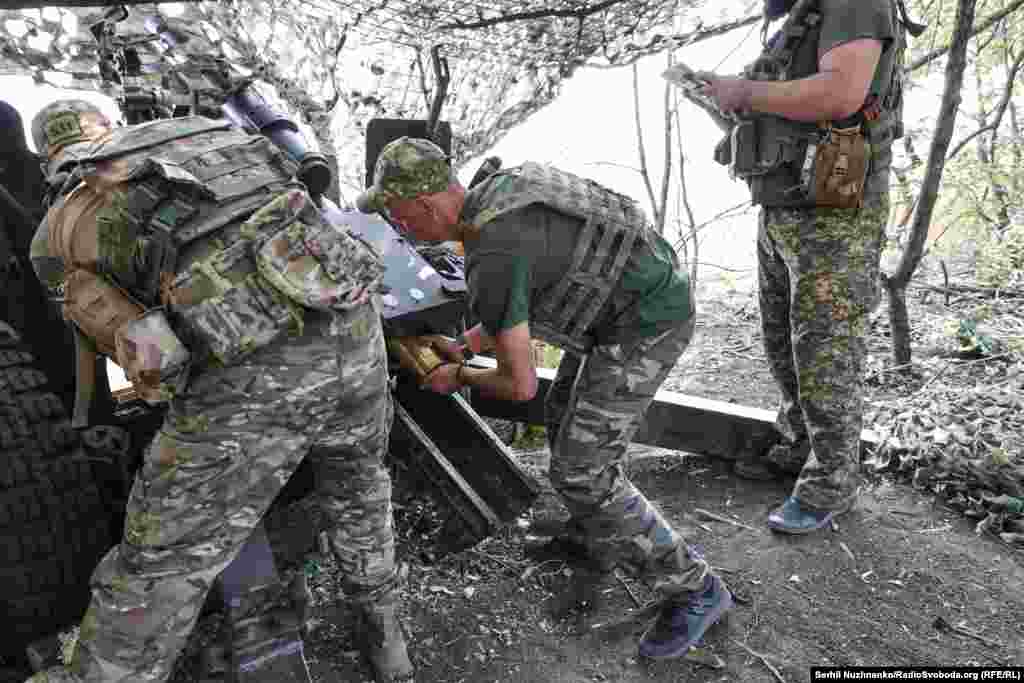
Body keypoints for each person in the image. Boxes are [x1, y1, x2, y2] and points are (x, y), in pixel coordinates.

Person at [26, 99, 413, 683]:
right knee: (360, 487)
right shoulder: (204, 132)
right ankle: (388, 648)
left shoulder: (57, 229)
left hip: (256, 374)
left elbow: (151, 358)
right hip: (353, 327)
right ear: (107, 127)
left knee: (164, 557)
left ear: (45, 157)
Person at [355, 137, 732, 659]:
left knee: (583, 471)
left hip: (648, 320)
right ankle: (596, 537)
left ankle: (695, 588)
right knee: (564, 420)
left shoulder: (493, 251)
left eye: (398, 217)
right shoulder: (497, 195)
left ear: (424, 204)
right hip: (626, 300)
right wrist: (465, 345)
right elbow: (518, 299)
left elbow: (519, 385)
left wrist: (456, 376)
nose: (401, 229)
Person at [696, 0, 907, 533]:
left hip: (836, 211)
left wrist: (744, 91)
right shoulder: (800, 18)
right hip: (784, 202)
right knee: (783, 342)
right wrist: (721, 98)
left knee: (826, 350)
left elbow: (841, 93)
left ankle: (831, 482)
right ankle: (799, 446)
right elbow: (777, 106)